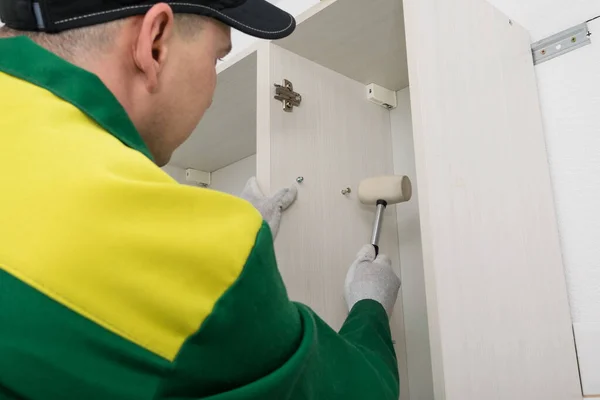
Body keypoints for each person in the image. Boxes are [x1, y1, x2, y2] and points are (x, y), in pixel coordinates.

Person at [0, 0, 402, 399]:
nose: (213, 90)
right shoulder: (190, 251)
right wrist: (371, 306)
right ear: (154, 42)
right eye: (216, 57)